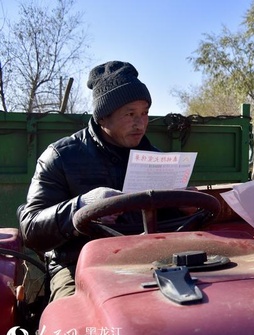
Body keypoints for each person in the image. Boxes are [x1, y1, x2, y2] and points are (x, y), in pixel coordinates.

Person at [18, 61, 157, 301]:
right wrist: (82, 205)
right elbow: (31, 228)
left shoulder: (156, 159)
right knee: (75, 317)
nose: (140, 123)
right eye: (130, 114)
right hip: (77, 264)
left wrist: (185, 207)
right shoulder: (61, 156)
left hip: (149, 260)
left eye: (144, 113)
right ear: (103, 118)